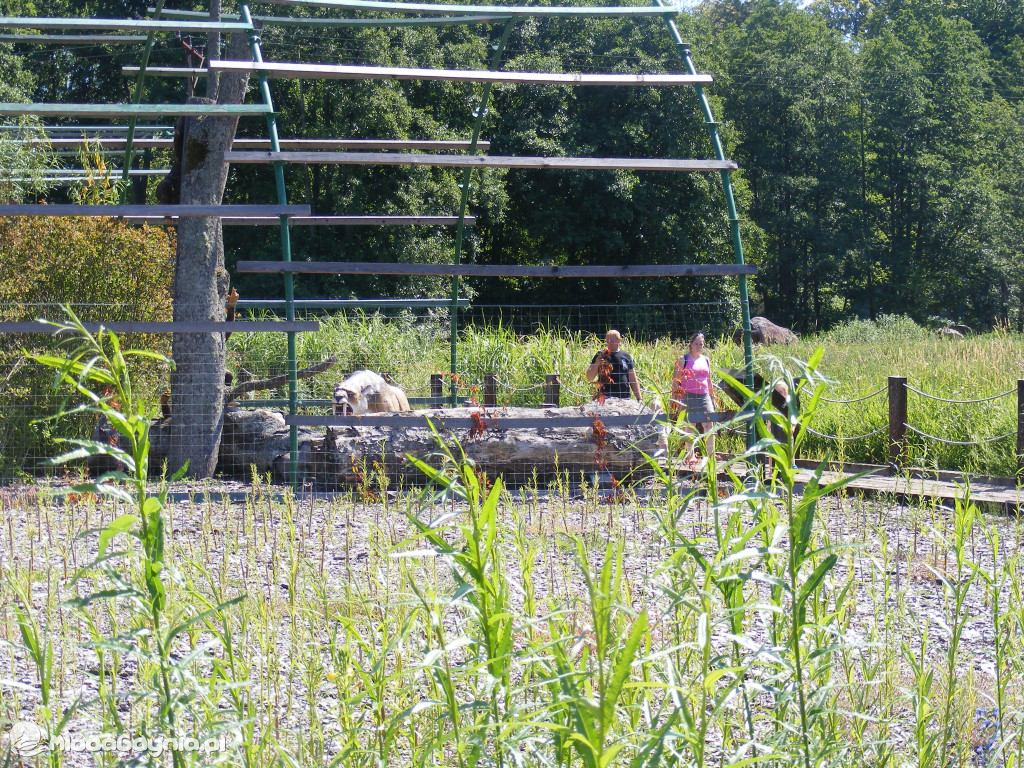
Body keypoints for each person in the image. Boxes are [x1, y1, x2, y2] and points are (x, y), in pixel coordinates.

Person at [671, 332, 716, 466]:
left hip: (704, 395)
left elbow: (709, 380)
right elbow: (675, 381)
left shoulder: (706, 359)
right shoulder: (683, 359)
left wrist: (712, 397)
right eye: (696, 343)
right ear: (690, 345)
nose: (699, 346)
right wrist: (674, 399)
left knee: (709, 424)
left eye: (701, 344)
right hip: (687, 395)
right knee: (689, 425)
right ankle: (690, 455)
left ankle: (710, 454)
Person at [585, 329, 641, 401]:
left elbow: (633, 379)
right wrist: (597, 364)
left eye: (612, 341)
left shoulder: (625, 356)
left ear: (619, 341)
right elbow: (589, 377)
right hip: (605, 397)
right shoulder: (600, 355)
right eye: (607, 341)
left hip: (624, 397)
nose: (609, 344)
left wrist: (639, 398)